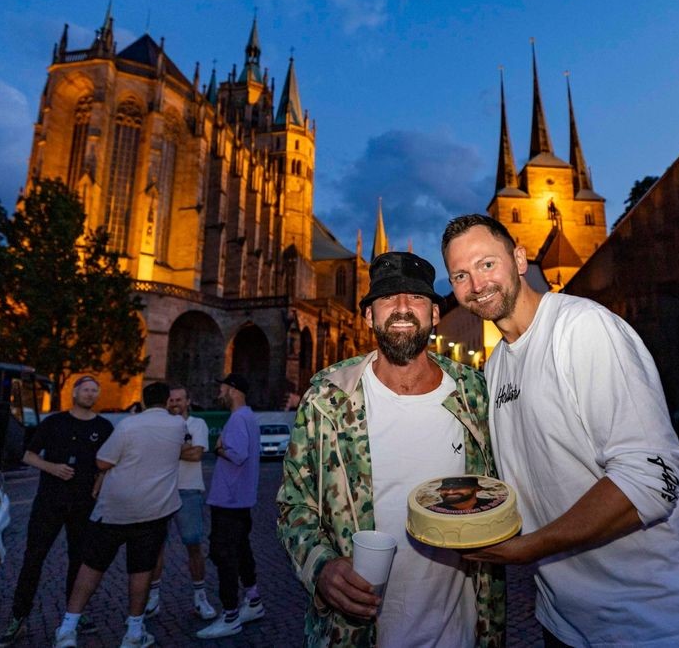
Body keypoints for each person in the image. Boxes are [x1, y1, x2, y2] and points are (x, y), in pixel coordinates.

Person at [441, 214, 679, 647]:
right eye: (461, 275)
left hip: (657, 623)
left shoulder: (582, 329)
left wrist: (531, 547)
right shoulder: (497, 365)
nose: (477, 283)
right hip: (565, 621)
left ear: (519, 259)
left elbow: (652, 479)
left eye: (487, 264)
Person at [276, 251, 506, 648]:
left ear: (435, 314)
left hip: (462, 632)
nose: (401, 308)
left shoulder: (475, 396)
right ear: (368, 316)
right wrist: (321, 566)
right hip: (355, 635)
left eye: (415, 298)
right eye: (386, 299)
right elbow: (293, 504)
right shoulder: (328, 399)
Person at [52, 382, 186, 648]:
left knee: (91, 567)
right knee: (141, 570)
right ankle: (134, 631)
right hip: (154, 510)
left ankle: (67, 627)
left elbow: (103, 461)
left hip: (115, 510)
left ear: (144, 401)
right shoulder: (178, 426)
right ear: (167, 401)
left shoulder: (128, 425)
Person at [0, 375, 114, 646]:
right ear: (74, 392)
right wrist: (53, 468)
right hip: (49, 502)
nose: (90, 394)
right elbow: (28, 454)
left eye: (95, 390)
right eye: (85, 389)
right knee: (33, 559)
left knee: (79, 560)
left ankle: (75, 613)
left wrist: (98, 484)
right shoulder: (54, 422)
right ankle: (18, 617)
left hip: (84, 504)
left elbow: (110, 463)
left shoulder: (104, 427)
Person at [195, 373, 265, 640]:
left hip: (229, 500)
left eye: (223, 386)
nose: (220, 391)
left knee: (224, 555)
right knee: (241, 550)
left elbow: (237, 455)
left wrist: (219, 449)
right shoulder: (248, 416)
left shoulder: (237, 419)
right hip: (241, 500)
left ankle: (230, 615)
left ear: (233, 390)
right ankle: (253, 600)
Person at [144, 384, 217, 622]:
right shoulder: (160, 424)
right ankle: (153, 598)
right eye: (171, 400)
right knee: (155, 546)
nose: (174, 403)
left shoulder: (198, 424)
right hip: (161, 490)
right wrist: (181, 448)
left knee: (193, 544)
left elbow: (196, 455)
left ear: (188, 401)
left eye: (179, 399)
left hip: (189, 491)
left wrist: (166, 449)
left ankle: (200, 597)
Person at [429, 476, 498, 513]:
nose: (450, 492)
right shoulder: (430, 512)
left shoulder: (496, 506)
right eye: (445, 489)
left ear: (477, 489)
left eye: (458, 488)